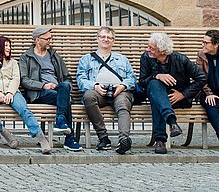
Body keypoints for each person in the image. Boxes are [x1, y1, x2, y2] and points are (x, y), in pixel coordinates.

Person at [0, 36, 51, 153]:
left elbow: (16, 79)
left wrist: (10, 93)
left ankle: (41, 138)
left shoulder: (13, 63)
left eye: (9, 46)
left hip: (13, 93)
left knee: (23, 109)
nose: (9, 48)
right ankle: (4, 133)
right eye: (6, 45)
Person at [140, 33, 206, 154]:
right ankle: (171, 122)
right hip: (159, 96)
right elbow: (142, 82)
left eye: (151, 48)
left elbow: (201, 78)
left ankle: (160, 141)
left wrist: (183, 94)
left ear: (163, 51)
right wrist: (157, 75)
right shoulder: (146, 57)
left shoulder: (181, 59)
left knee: (158, 101)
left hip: (178, 100)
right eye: (148, 46)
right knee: (154, 86)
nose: (147, 50)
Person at [19, 27, 82, 151]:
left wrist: (64, 86)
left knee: (64, 88)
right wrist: (43, 85)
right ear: (37, 40)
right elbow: (24, 80)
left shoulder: (54, 56)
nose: (50, 41)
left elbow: (67, 78)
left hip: (58, 90)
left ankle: (60, 120)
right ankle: (69, 138)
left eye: (51, 38)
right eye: (47, 39)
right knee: (66, 100)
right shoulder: (26, 57)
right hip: (38, 94)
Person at [76, 26, 137, 154]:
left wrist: (122, 86)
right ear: (97, 39)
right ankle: (103, 138)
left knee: (122, 104)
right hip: (98, 93)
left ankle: (124, 140)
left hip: (119, 92)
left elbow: (132, 78)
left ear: (113, 41)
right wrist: (95, 86)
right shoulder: (86, 59)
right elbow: (81, 80)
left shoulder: (122, 59)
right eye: (103, 36)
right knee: (88, 96)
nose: (106, 39)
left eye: (109, 37)